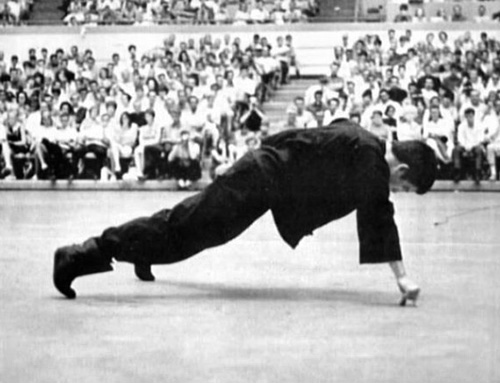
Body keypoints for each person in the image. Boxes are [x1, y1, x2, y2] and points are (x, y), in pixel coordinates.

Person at [53, 120, 437, 306]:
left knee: (189, 225)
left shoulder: (359, 136)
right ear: (402, 170)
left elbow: (304, 140)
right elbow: (378, 214)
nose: (396, 189)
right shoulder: (372, 161)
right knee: (186, 230)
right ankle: (82, 254)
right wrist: (402, 279)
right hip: (259, 179)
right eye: (404, 186)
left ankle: (143, 252)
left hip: (261, 174)